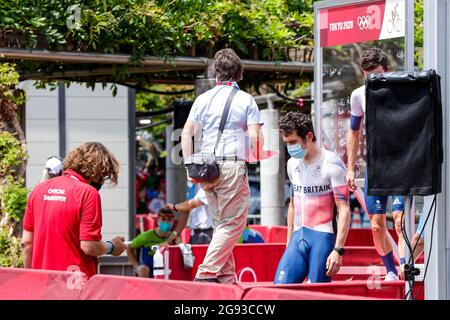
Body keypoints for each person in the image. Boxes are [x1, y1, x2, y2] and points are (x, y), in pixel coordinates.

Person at [181, 48, 265, 284]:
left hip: (207, 168)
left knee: (220, 225)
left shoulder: (203, 99)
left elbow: (187, 134)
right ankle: (205, 273)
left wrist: (190, 164)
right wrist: (256, 157)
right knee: (233, 225)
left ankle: (227, 281)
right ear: (239, 74)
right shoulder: (246, 100)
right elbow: (256, 138)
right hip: (231, 166)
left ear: (215, 74)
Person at [21, 142, 126, 279]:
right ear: (97, 170)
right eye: (104, 175)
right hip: (75, 284)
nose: (102, 181)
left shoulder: (38, 190)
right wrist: (111, 247)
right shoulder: (88, 193)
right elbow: (89, 246)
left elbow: (26, 243)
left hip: (41, 283)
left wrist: (29, 278)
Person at [346, 48, 404, 281]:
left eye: (378, 74)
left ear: (387, 70)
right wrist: (350, 167)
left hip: (402, 162)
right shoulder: (359, 95)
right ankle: (390, 269)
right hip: (376, 164)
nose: (374, 79)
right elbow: (353, 131)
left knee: (400, 220)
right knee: (377, 225)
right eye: (369, 75)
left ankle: (406, 268)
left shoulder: (401, 89)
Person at [274, 111, 350, 284]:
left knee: (317, 292)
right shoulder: (292, 163)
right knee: (280, 289)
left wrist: (338, 250)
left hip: (322, 237)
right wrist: (288, 242)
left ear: (308, 136)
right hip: (297, 236)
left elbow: (343, 209)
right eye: (286, 143)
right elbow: (293, 205)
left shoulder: (332, 163)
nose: (289, 147)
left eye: (293, 142)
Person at [126, 207, 180, 278]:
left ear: (172, 222)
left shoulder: (174, 238)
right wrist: (136, 266)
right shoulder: (146, 236)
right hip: (148, 268)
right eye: (163, 219)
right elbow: (128, 247)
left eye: (169, 220)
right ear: (158, 220)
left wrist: (178, 244)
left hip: (166, 268)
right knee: (143, 270)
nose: (166, 222)